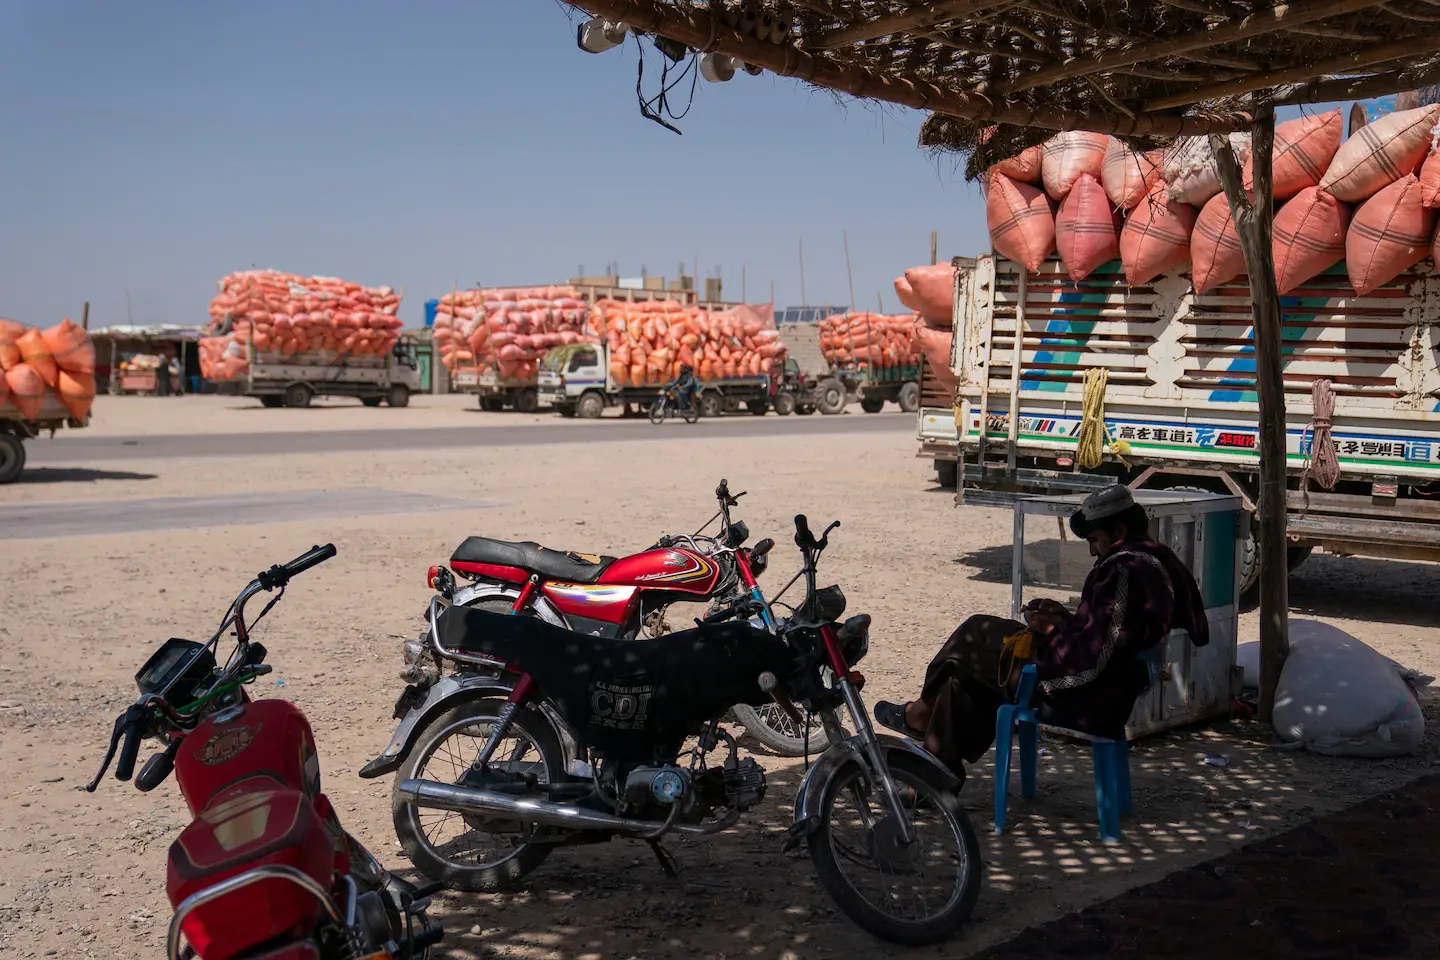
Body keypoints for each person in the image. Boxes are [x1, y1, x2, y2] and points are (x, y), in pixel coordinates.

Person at [873, 485, 1208, 777]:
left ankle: (920, 717)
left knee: (972, 644)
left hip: (1092, 694)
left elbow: (1095, 660)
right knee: (963, 668)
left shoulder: (1125, 570)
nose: (1092, 550)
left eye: (1094, 540)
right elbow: (1108, 634)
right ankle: (932, 771)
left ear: (1118, 529)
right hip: (1104, 677)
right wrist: (1064, 621)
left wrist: (1051, 639)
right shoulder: (1151, 556)